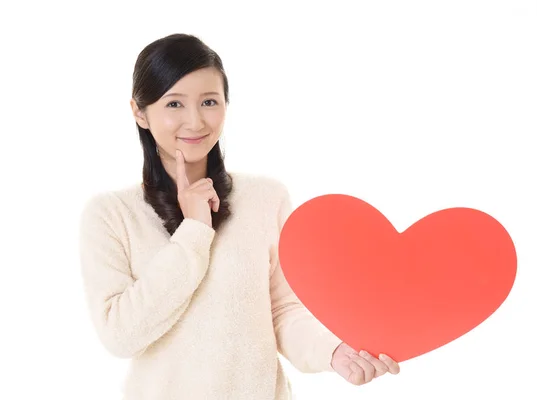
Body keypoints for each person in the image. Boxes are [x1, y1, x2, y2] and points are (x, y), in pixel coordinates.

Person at [78, 33, 400, 399]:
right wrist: (195, 230)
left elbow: (282, 311)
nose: (196, 121)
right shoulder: (110, 215)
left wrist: (334, 353)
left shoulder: (265, 198)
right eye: (174, 104)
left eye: (209, 101)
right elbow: (120, 335)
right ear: (139, 112)